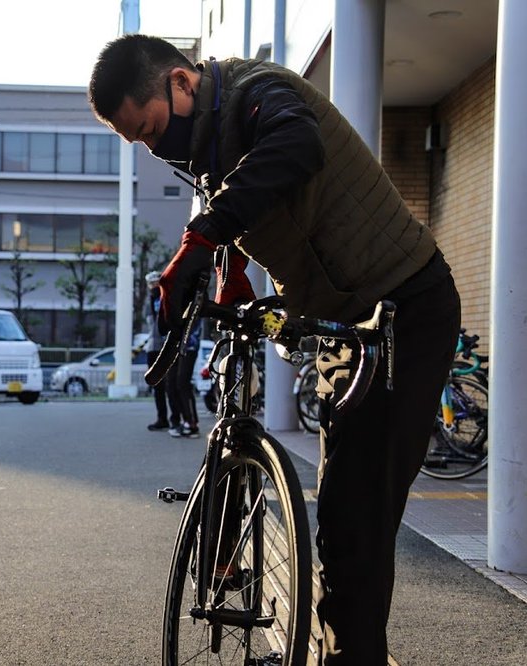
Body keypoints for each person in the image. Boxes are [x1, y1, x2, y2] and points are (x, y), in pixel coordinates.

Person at [88, 35, 460, 665]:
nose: (156, 149)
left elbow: (295, 149)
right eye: (142, 144)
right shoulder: (208, 150)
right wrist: (228, 267)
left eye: (152, 130)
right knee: (342, 514)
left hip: (406, 306)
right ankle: (339, 648)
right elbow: (249, 205)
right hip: (350, 319)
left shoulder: (259, 92)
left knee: (358, 523)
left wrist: (201, 238)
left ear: (181, 82)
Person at [143, 270, 175, 431]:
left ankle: (175, 418)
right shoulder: (148, 301)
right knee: (157, 386)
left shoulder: (166, 299)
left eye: (157, 283)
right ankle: (161, 418)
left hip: (166, 345)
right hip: (152, 346)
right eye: (151, 284)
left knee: (171, 385)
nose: (154, 286)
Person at [165, 318, 201, 438]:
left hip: (189, 345)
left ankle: (191, 423)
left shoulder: (191, 299)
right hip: (172, 345)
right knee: (171, 384)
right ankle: (178, 421)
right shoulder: (158, 299)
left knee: (182, 382)